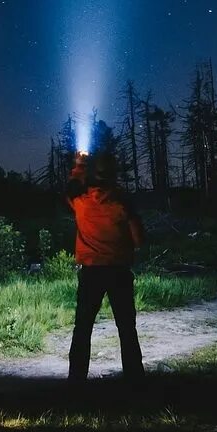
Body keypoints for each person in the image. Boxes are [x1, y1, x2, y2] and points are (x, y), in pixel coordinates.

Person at [65, 151, 147, 385]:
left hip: (91, 273)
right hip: (119, 272)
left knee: (83, 328)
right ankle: (135, 380)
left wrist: (79, 164)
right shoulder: (122, 205)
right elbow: (139, 239)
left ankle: (76, 381)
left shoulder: (81, 202)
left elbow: (71, 188)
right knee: (126, 328)